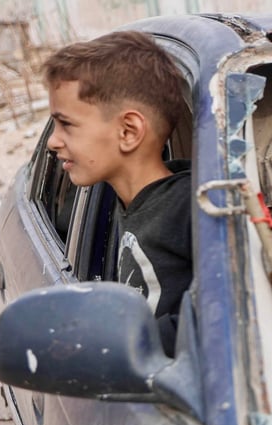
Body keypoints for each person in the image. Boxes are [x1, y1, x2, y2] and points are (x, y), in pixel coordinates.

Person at [43, 31, 192, 356]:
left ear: (128, 132)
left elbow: (246, 313)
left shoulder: (192, 206)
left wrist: (125, 345)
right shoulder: (133, 203)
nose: (52, 141)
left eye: (65, 124)